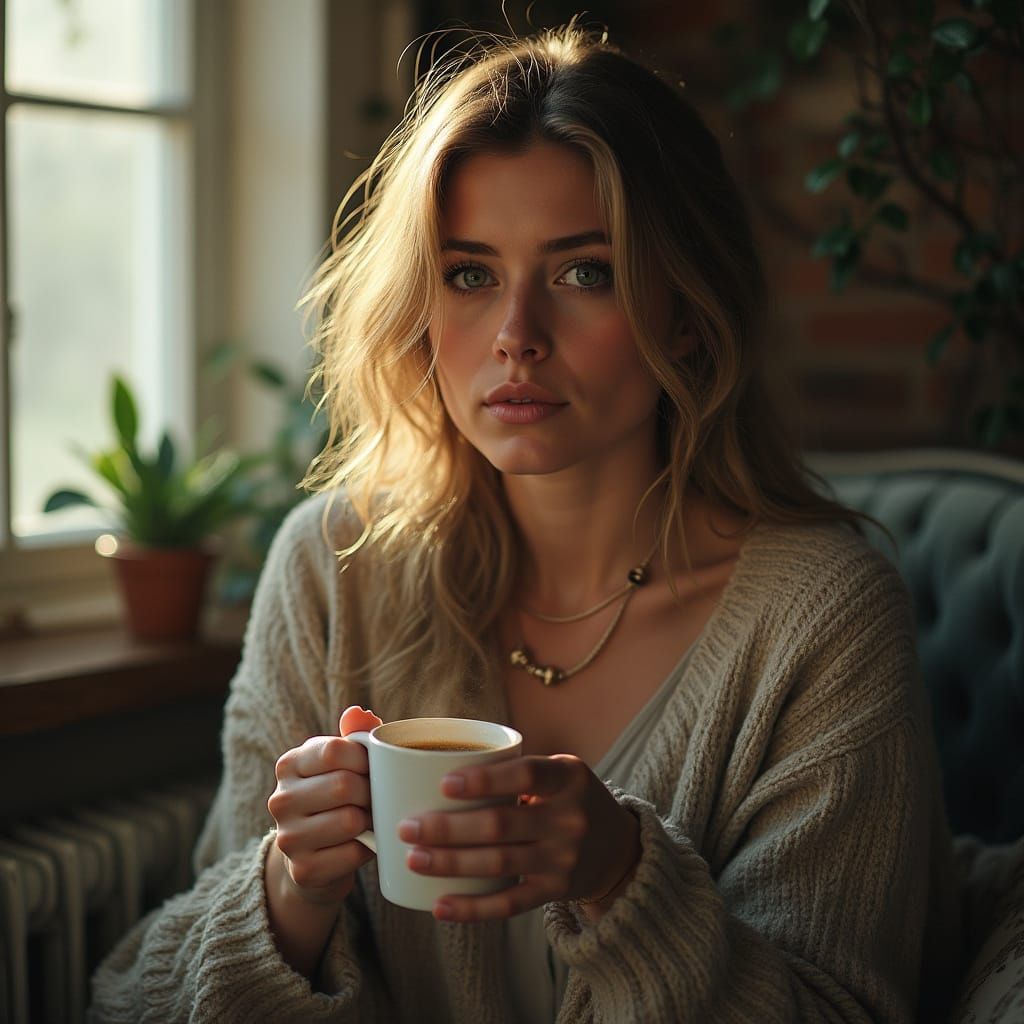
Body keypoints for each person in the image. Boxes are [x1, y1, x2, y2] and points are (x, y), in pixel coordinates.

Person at [89, 20, 964, 1023]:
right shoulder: (333, 570)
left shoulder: (822, 614)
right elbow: (142, 996)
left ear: (683, 308)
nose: (515, 339)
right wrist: (290, 894)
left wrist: (621, 877)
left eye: (581, 272)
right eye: (470, 275)